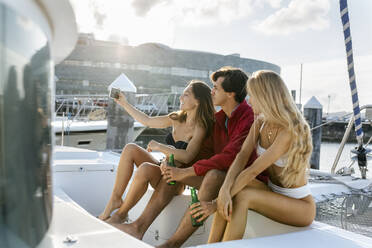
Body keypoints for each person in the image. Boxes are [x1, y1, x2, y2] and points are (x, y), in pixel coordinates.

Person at [151, 67, 258, 248]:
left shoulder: (248, 118)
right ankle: (138, 227)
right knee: (174, 170)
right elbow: (204, 153)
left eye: (216, 88)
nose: (211, 91)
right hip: (219, 174)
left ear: (231, 94)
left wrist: (185, 172)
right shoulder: (218, 118)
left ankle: (173, 244)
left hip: (241, 178)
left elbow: (229, 157)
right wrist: (172, 163)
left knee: (212, 176)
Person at [208, 70, 316, 243]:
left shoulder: (288, 131)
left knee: (243, 196)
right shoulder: (260, 122)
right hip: (273, 192)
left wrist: (214, 204)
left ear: (266, 97)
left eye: (252, 96)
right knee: (229, 185)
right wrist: (224, 189)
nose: (249, 101)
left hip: (300, 206)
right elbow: (241, 156)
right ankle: (211, 245)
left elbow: (251, 171)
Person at [98, 80, 215, 223]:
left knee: (146, 168)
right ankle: (115, 200)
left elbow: (187, 156)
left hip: (176, 179)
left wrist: (160, 147)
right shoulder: (176, 118)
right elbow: (147, 120)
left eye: (186, 94)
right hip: (162, 167)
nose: (180, 98)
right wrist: (124, 103)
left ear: (197, 101)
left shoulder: (200, 127)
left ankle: (121, 215)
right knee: (130, 148)